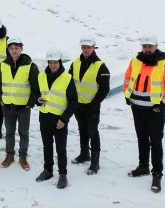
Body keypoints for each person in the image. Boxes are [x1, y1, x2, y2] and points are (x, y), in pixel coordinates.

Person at [124, 34, 165, 193]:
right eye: (144, 47)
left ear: (156, 46)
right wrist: (127, 95)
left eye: (150, 47)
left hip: (154, 111)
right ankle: (143, 167)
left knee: (155, 142)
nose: (147, 50)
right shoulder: (135, 60)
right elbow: (128, 79)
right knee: (141, 139)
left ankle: (157, 174)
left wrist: (161, 107)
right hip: (137, 108)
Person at [36, 49, 77, 189]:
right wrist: (38, 100)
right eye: (50, 62)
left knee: (61, 149)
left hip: (59, 120)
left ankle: (62, 174)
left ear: (60, 62)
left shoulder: (67, 78)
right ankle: (48, 170)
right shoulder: (41, 76)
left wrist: (64, 119)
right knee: (47, 147)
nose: (52, 65)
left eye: (55, 62)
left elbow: (73, 102)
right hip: (44, 118)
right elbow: (37, 93)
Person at [0, 35, 40, 171]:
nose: (14, 51)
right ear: (8, 50)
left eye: (16, 48)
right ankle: (9, 155)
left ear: (21, 49)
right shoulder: (3, 65)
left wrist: (30, 103)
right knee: (9, 132)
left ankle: (23, 156)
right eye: (11, 48)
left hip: (23, 107)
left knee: (23, 133)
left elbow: (36, 87)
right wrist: (0, 99)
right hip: (8, 106)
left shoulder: (30, 66)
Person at [71, 35, 110, 175]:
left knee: (93, 132)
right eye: (83, 47)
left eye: (88, 47)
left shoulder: (100, 66)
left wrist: (94, 103)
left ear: (94, 48)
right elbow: (69, 83)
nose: (86, 50)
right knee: (82, 129)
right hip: (78, 105)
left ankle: (95, 163)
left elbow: (104, 88)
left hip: (92, 106)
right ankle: (84, 154)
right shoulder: (75, 63)